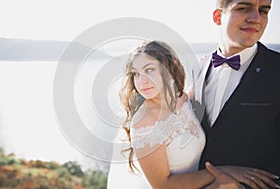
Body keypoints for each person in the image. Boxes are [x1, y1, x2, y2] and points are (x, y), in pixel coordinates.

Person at [107, 40, 278, 189]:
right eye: (136, 74)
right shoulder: (144, 124)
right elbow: (163, 185)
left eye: (149, 70)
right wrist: (222, 173)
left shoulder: (181, 99)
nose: (141, 81)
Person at [191, 0, 280, 187]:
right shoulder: (197, 68)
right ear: (218, 17)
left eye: (264, 11)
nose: (256, 18)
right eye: (244, 8)